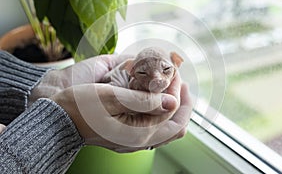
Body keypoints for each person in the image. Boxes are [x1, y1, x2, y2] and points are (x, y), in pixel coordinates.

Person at [0, 50, 193, 173]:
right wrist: (64, 121)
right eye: (143, 73)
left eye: (166, 70)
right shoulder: (125, 76)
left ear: (177, 62)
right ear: (131, 71)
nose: (157, 79)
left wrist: (49, 86)